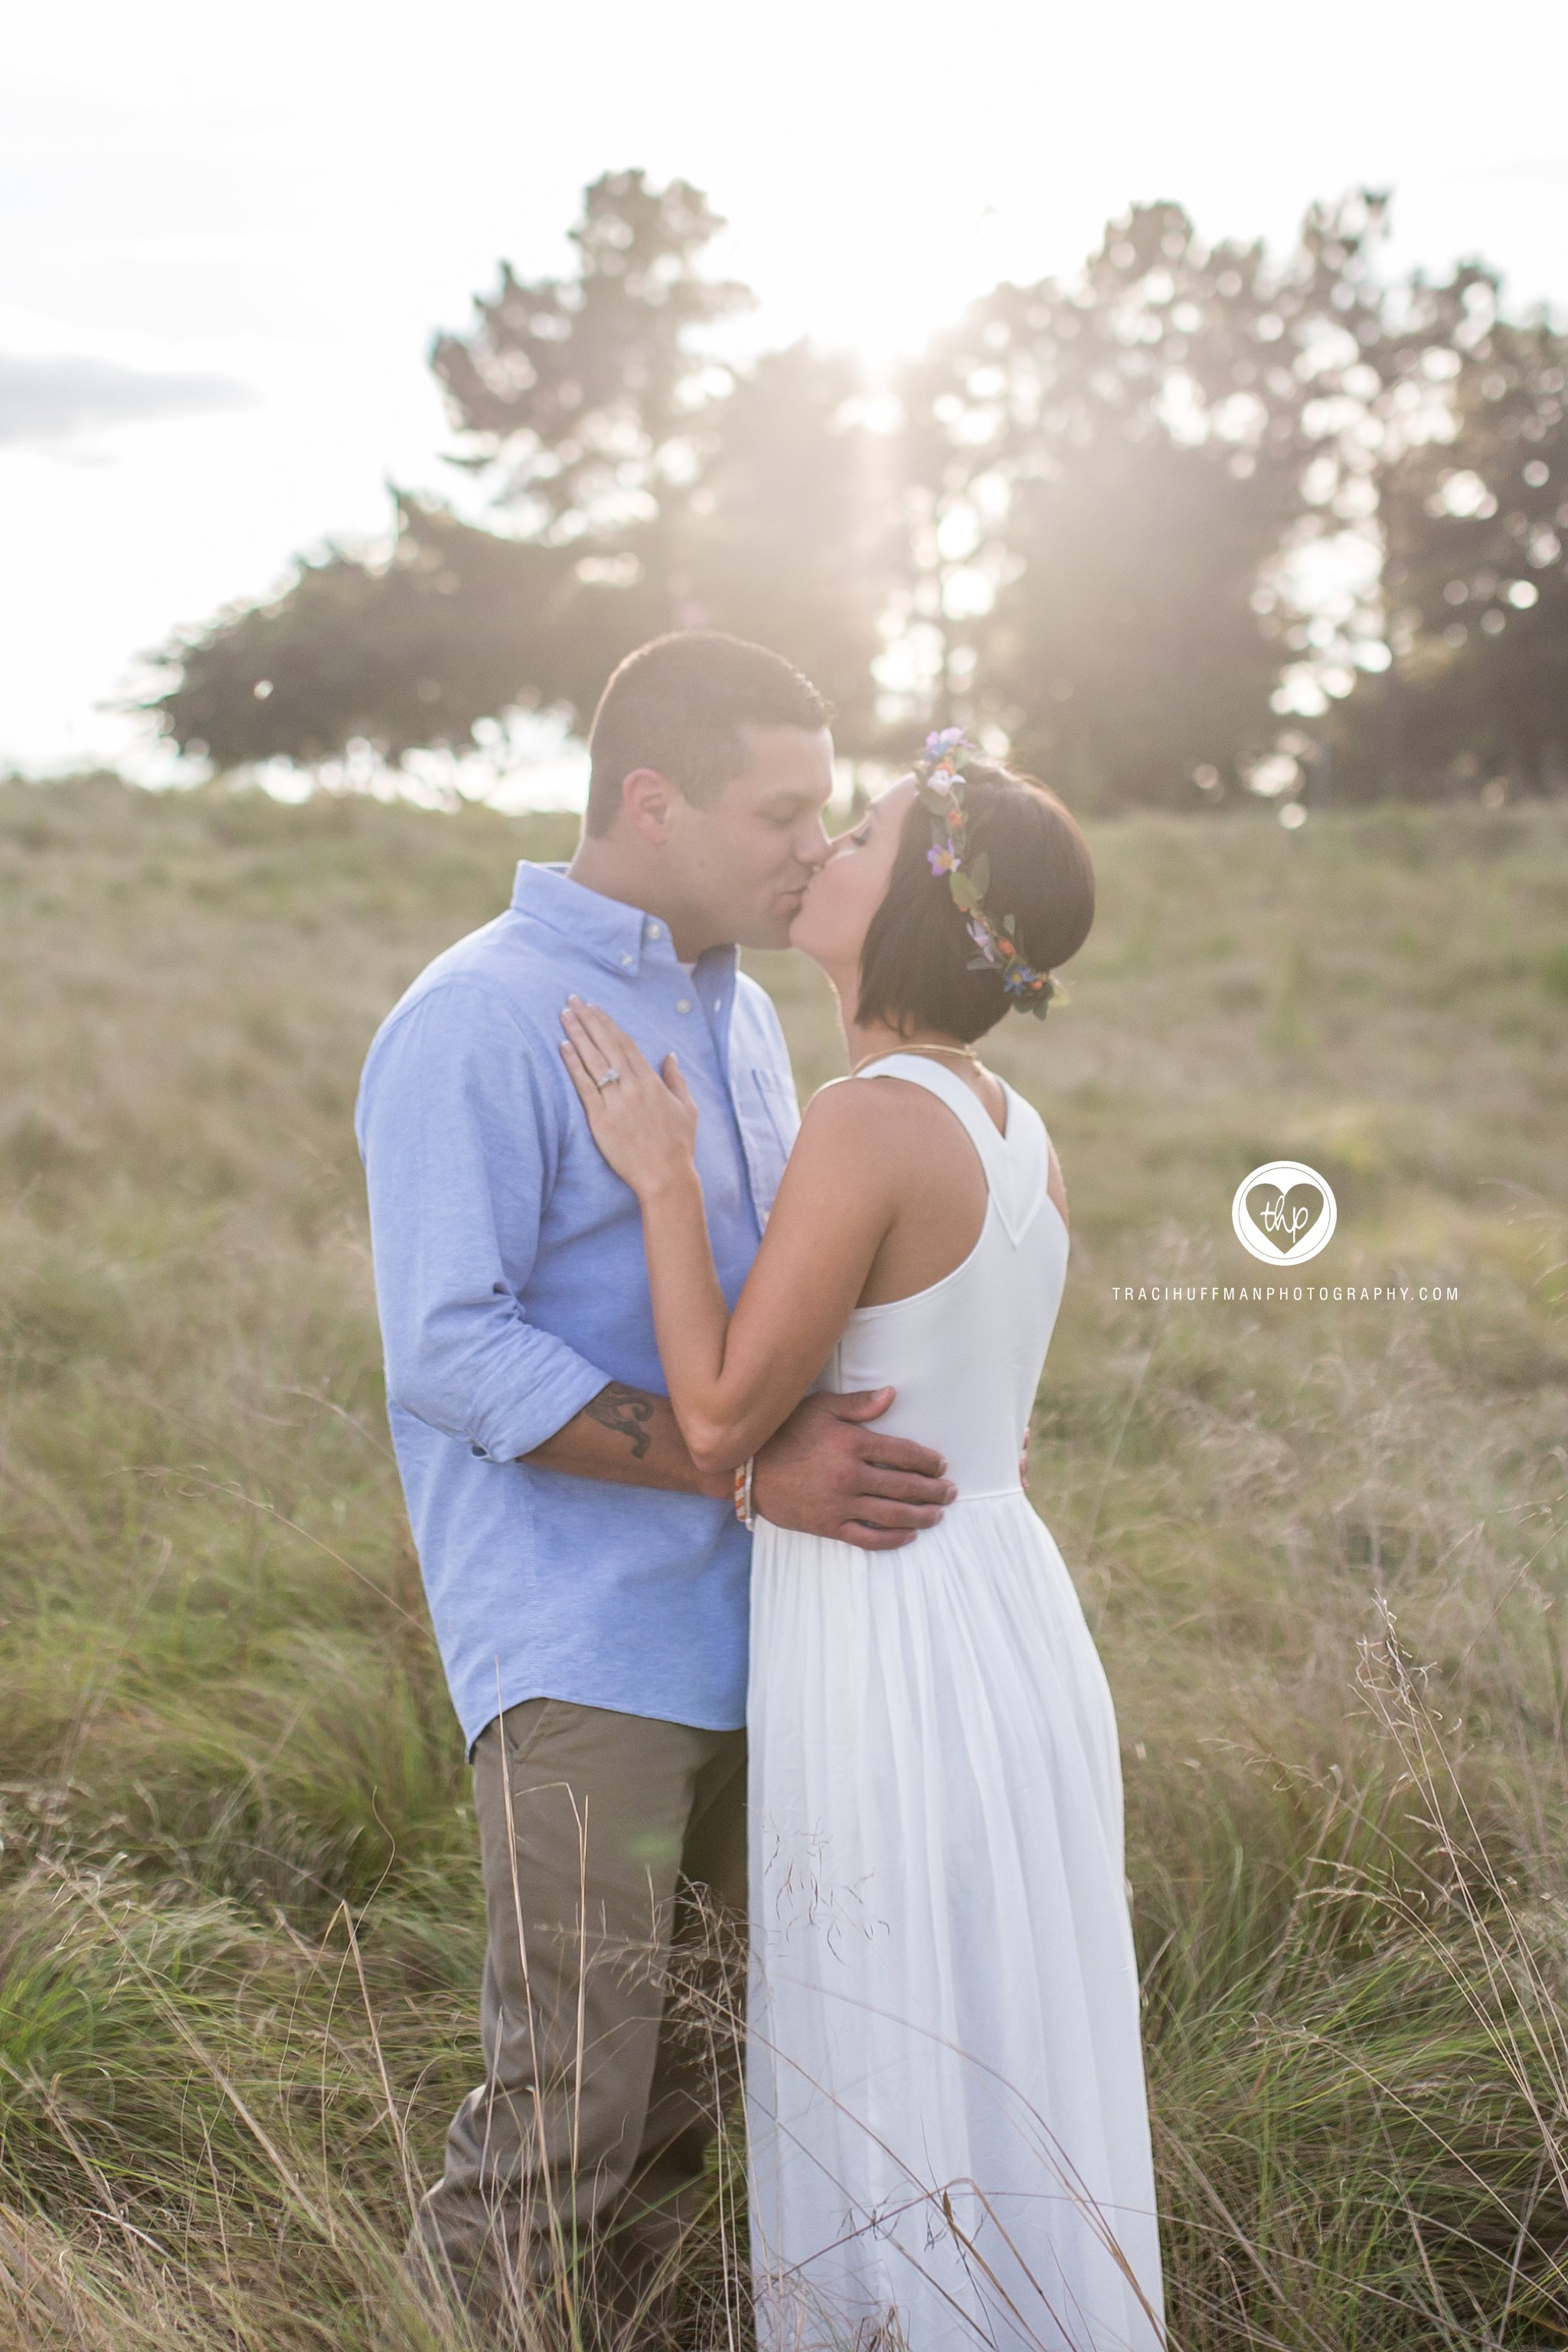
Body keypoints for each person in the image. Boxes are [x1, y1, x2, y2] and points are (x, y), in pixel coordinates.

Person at [354, 633, 956, 2341]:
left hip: (770, 1635)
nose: (811, 851)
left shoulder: (747, 1016)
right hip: (587, 1654)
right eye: (781, 812)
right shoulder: (472, 1017)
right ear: (650, 800)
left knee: (693, 2104)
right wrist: (743, 1459)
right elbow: (450, 1355)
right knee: (566, 2114)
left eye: (825, 817)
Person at [560, 735, 1165, 2351]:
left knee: (892, 2023)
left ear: (914, 909)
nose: (825, 846)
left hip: (893, 1625)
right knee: (996, 2023)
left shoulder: (868, 1116)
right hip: (1002, 1607)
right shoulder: (1010, 1124)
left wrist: (664, 1182)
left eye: (866, 835)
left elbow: (714, 1416)